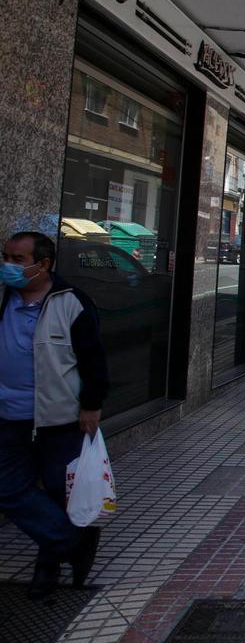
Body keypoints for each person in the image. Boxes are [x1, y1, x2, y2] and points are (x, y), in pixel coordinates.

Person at [0, 231, 108, 599]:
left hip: (59, 419)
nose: (8, 265)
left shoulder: (71, 303)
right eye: (6, 257)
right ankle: (72, 541)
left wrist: (91, 406)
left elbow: (94, 360)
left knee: (60, 494)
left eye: (17, 259)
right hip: (8, 415)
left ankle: (46, 568)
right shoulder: (4, 298)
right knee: (8, 488)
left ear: (43, 264)